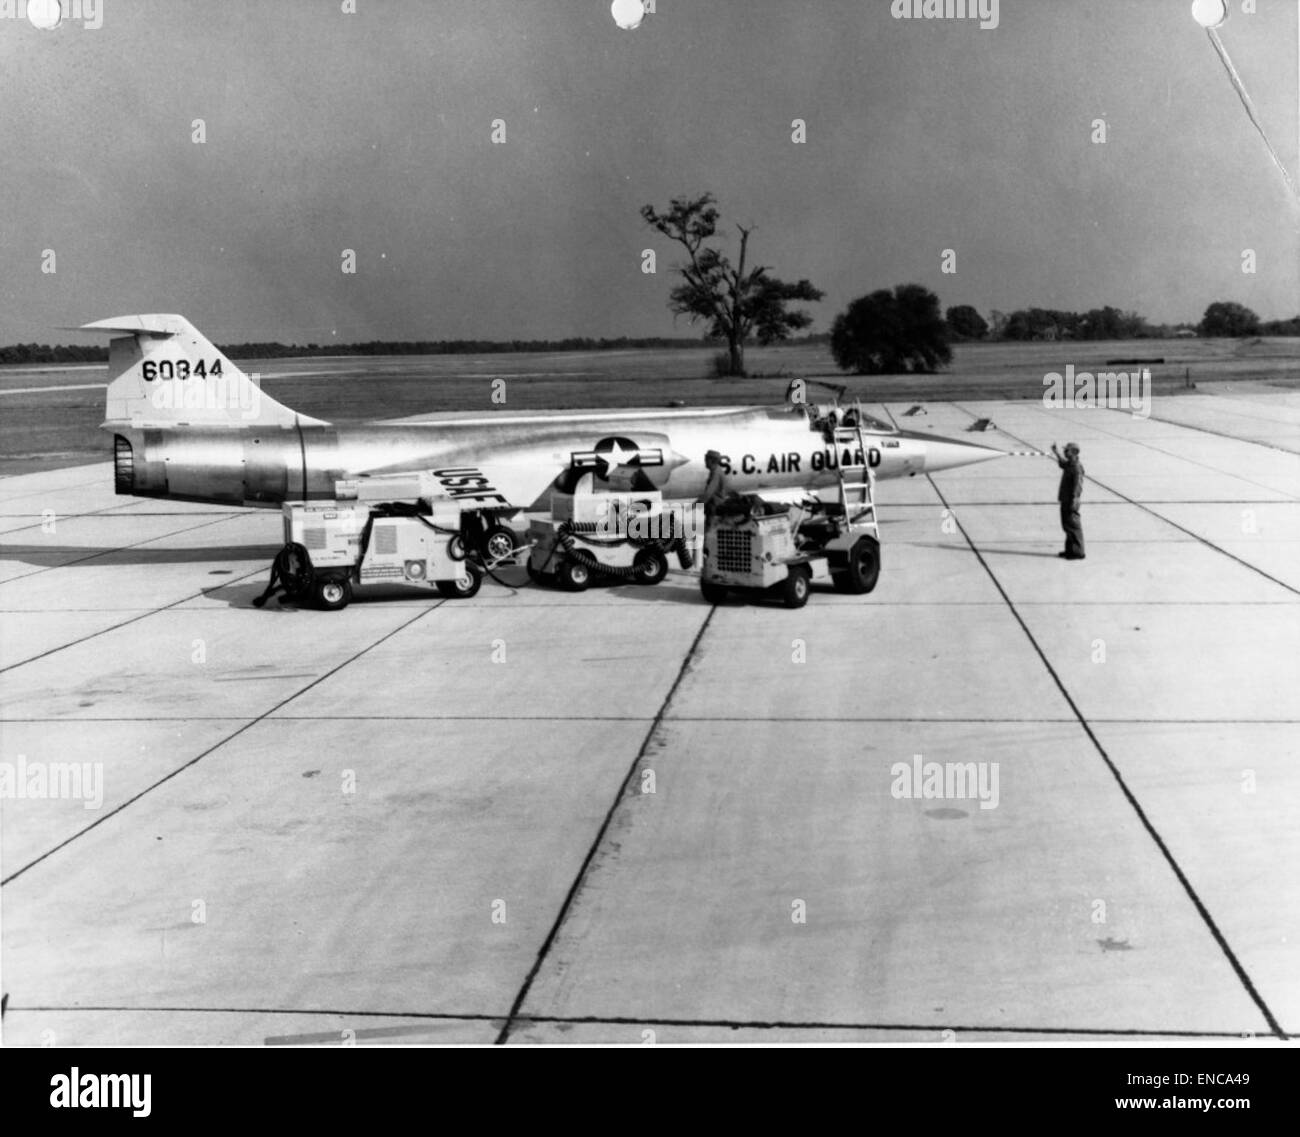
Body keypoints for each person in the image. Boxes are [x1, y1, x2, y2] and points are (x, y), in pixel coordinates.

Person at [1051, 442, 1085, 560]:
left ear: (1074, 452)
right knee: (1067, 526)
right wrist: (1056, 453)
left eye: (1067, 450)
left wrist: (1075, 498)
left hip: (1071, 500)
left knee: (1073, 526)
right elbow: (1062, 464)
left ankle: (1078, 552)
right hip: (1066, 499)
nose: (1065, 452)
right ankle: (1070, 550)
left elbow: (1078, 485)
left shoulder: (1076, 467)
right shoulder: (1070, 464)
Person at [702, 449, 731, 520]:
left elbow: (708, 494)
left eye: (706, 459)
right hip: (717, 502)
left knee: (709, 529)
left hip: (715, 505)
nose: (705, 462)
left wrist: (693, 506)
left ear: (712, 461)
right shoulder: (717, 470)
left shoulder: (715, 474)